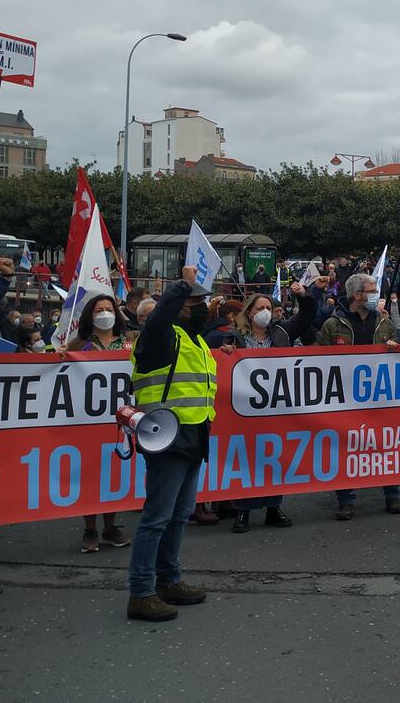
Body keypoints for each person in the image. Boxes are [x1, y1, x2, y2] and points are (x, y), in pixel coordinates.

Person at [126, 266, 215, 622]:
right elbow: (159, 318)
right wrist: (181, 285)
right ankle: (141, 591)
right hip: (167, 436)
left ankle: (169, 580)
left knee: (179, 515)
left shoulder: (195, 340)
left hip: (193, 434)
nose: (202, 307)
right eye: (195, 301)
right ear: (178, 305)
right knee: (157, 518)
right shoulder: (160, 336)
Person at [226, 282, 316, 532]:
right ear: (250, 312)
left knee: (274, 457)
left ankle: (273, 507)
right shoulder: (236, 336)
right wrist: (227, 351)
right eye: (260, 307)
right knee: (247, 458)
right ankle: (243, 510)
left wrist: (303, 296)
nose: (265, 311)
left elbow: (307, 315)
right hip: (244, 408)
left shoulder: (282, 333)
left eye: (268, 307)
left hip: (276, 407)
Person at [317, 272, 400, 517]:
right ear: (357, 295)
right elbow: (321, 359)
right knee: (345, 447)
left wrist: (395, 349)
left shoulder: (383, 323)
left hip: (379, 395)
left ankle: (392, 494)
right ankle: (346, 499)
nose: (376, 294)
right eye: (372, 290)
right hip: (345, 397)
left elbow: (399, 357)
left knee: (386, 444)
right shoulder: (333, 325)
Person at [65, 294, 133, 553]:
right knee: (90, 473)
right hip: (87, 418)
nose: (105, 314)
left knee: (113, 471)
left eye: (108, 309)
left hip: (119, 417)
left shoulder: (129, 342)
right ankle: (90, 528)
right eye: (99, 310)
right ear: (89, 317)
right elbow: (65, 359)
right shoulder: (82, 344)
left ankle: (110, 526)